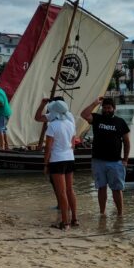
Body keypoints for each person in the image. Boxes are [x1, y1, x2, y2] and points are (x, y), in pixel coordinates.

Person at [80, 96, 131, 217]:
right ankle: (102, 213)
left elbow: (127, 142)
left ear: (114, 108)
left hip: (115, 162)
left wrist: (126, 159)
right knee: (101, 188)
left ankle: (120, 214)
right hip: (98, 161)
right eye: (105, 108)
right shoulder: (97, 118)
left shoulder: (120, 122)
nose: (107, 110)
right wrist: (95, 103)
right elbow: (84, 114)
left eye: (109, 108)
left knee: (117, 189)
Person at [37, 98, 78, 230]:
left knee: (61, 193)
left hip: (57, 160)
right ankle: (74, 219)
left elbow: (48, 148)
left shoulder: (52, 126)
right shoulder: (71, 123)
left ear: (55, 112)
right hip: (70, 158)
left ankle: (65, 222)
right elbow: (72, 144)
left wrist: (45, 164)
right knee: (70, 190)